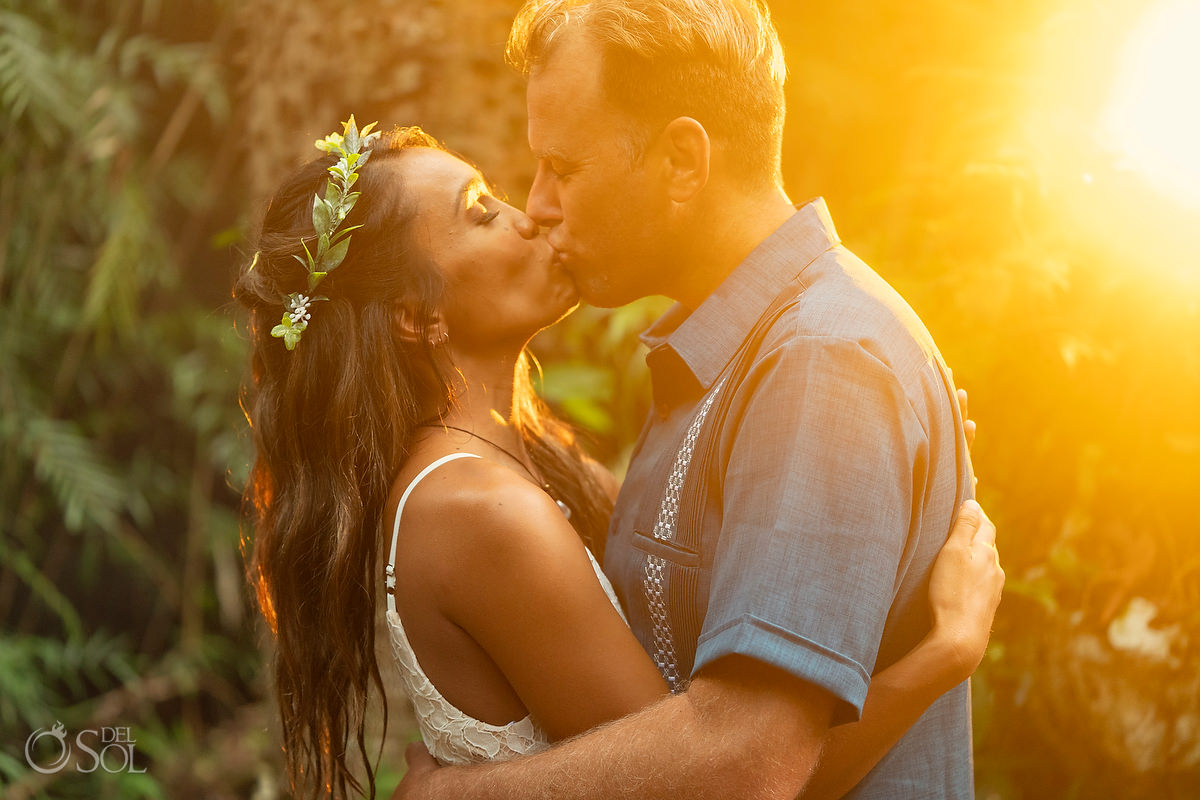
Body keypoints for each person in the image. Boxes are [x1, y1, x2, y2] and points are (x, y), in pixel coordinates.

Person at [236, 119, 999, 798]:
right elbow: (723, 779)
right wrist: (943, 652)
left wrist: (870, 431)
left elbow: (695, 533)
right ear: (416, 316)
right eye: (481, 212)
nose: (530, 215)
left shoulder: (513, 462)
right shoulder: (479, 510)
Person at [394, 0, 1004, 798]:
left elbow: (749, 762)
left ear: (683, 161)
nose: (538, 205)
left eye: (565, 169)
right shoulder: (731, 355)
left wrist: (459, 793)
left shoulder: (823, 362)